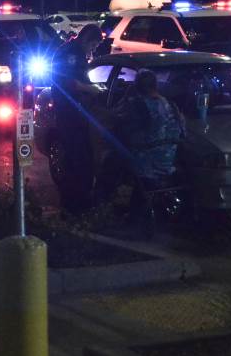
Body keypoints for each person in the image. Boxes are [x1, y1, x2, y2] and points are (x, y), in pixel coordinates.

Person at [115, 70, 185, 239]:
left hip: (147, 163)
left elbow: (125, 127)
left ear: (137, 87)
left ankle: (125, 217)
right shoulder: (170, 105)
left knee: (112, 161)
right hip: (168, 161)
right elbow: (182, 132)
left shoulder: (139, 106)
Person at [50, 24, 104, 213]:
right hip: (69, 111)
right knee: (78, 159)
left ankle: (74, 203)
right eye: (94, 45)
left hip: (73, 110)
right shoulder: (71, 53)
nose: (93, 50)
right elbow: (68, 82)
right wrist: (91, 89)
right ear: (87, 39)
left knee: (77, 158)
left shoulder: (74, 51)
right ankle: (75, 205)